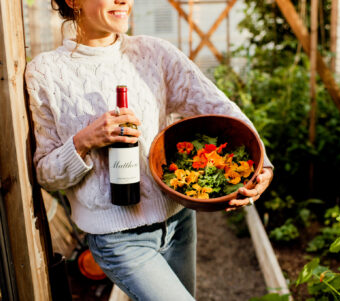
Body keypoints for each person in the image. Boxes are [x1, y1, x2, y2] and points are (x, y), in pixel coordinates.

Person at [25, 0, 274, 300]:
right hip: (119, 241)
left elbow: (217, 106)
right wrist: (83, 141)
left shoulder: (155, 54)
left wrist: (264, 166)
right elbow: (46, 174)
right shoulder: (45, 73)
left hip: (179, 224)